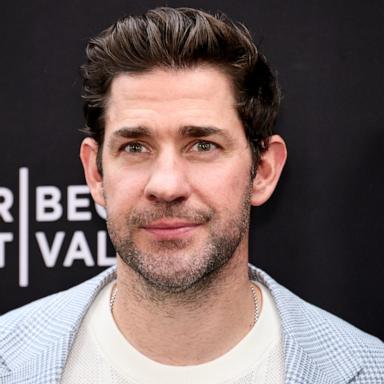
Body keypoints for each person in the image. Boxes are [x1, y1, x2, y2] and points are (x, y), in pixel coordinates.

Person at [0, 7, 383, 384]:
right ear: (95, 172)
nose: (166, 186)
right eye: (135, 147)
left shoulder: (370, 369)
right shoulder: (8, 355)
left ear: (263, 171)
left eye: (203, 145)